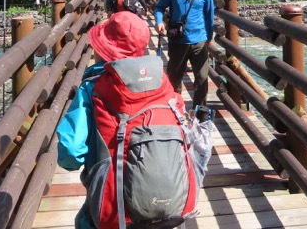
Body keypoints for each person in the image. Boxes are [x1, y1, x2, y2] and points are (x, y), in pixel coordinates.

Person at [56, 11, 207, 228]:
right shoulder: (164, 85)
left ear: (103, 50)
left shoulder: (92, 88)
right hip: (173, 206)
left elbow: (70, 153)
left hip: (114, 210)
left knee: (86, 220)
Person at [155, 0, 215, 108]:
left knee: (202, 78)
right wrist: (159, 21)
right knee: (174, 78)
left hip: (199, 40)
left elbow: (209, 16)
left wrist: (209, 37)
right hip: (178, 40)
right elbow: (160, 7)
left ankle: (200, 111)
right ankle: (176, 109)